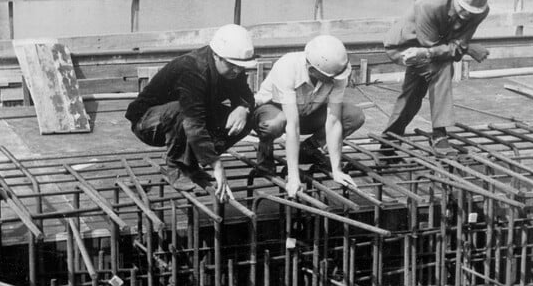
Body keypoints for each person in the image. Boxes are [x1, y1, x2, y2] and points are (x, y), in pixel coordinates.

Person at [125, 24, 257, 201]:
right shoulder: (193, 69)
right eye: (233, 66)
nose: (237, 71)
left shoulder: (232, 67)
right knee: (182, 112)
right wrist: (217, 164)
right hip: (148, 122)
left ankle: (193, 161)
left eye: (241, 67)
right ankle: (177, 164)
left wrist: (243, 108)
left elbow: (246, 95)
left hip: (186, 119)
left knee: (249, 118)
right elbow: (193, 122)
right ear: (216, 55)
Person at [382, 0, 492, 155]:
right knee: (442, 68)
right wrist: (467, 48)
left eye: (471, 12)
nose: (466, 15)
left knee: (413, 94)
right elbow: (435, 50)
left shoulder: (480, 11)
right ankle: (439, 133)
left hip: (431, 49)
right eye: (463, 8)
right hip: (405, 46)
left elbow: (456, 47)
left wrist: (464, 46)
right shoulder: (429, 4)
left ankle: (388, 142)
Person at [252, 35, 365, 197]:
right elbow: (292, 125)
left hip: (307, 112)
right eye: (329, 78)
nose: (334, 80)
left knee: (353, 115)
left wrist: (336, 170)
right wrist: (293, 177)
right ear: (312, 70)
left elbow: (333, 121)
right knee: (275, 124)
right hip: (274, 111)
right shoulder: (287, 67)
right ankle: (265, 153)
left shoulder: (337, 73)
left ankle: (307, 149)